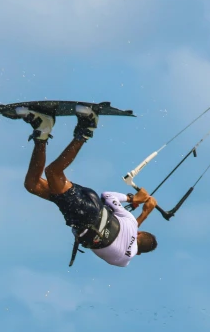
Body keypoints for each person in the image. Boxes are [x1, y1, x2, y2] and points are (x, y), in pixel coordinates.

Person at [18, 104, 158, 267]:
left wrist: (133, 199)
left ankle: (46, 130)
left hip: (81, 212)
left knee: (33, 184)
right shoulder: (123, 261)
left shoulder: (131, 223)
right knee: (52, 173)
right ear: (138, 252)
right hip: (83, 211)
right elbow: (129, 240)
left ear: (139, 233)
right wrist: (142, 214)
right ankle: (83, 128)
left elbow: (107, 196)